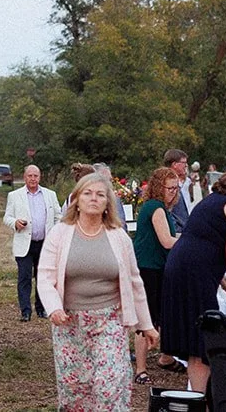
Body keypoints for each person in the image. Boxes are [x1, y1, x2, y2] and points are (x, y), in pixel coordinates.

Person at [36, 170, 157, 412]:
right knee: (75, 389)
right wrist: (54, 309)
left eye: (100, 195)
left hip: (109, 320)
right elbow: (45, 277)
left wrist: (146, 324)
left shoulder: (118, 236)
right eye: (88, 193)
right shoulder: (59, 234)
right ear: (77, 200)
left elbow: (135, 283)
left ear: (107, 204)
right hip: (69, 322)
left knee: (109, 384)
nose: (94, 198)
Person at [161, 164, 226, 395]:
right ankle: (202, 399)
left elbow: (205, 242)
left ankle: (199, 397)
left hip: (179, 265)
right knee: (204, 336)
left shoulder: (211, 200)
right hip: (195, 272)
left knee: (196, 342)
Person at [132, 166, 180, 382]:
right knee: (147, 317)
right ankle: (140, 369)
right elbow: (167, 241)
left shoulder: (160, 208)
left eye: (176, 188)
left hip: (157, 266)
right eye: (169, 188)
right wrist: (190, 241)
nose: (173, 192)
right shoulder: (156, 208)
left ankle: (166, 356)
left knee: (161, 313)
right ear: (159, 188)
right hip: (148, 267)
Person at [3, 164, 61, 321]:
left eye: (36, 176)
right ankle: (25, 310)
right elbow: (6, 217)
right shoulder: (15, 195)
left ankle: (42, 308)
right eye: (30, 176)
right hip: (24, 243)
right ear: (24, 177)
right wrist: (15, 222)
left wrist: (55, 234)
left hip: (45, 243)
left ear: (40, 177)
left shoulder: (50, 195)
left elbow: (58, 217)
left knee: (43, 277)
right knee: (25, 277)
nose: (33, 179)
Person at [162, 149, 191, 235]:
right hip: (177, 234)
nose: (186, 166)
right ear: (174, 164)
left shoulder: (183, 183)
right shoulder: (166, 185)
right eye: (184, 163)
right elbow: (168, 211)